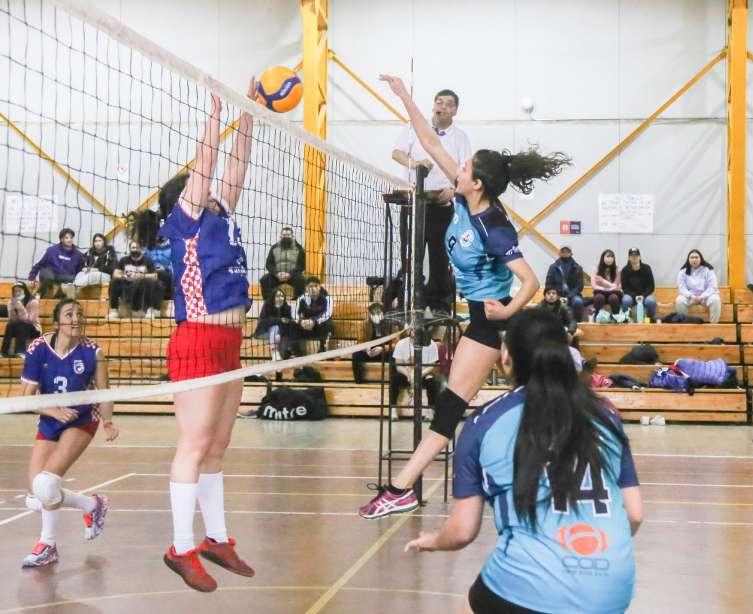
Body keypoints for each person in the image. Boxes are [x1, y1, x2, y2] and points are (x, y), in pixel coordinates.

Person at [359, 74, 567, 519]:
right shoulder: (461, 196)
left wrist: (507, 310)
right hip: (479, 319)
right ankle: (405, 489)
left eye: (467, 167)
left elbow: (530, 281)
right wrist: (404, 96)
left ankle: (400, 490)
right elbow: (429, 142)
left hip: (492, 325)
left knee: (451, 409)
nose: (459, 168)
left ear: (479, 185)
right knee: (464, 407)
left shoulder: (494, 228)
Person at [404, 309, 643, 614]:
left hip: (527, 585)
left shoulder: (485, 422)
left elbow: (463, 531)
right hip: (612, 587)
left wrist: (434, 541)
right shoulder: (606, 415)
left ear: (506, 357)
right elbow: (634, 514)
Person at [157, 84, 257, 592]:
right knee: (195, 445)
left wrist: (249, 116)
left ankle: (217, 538)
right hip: (197, 339)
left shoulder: (222, 217)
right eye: (203, 188)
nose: (215, 189)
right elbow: (207, 166)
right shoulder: (186, 222)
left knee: (218, 446)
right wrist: (214, 119)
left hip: (229, 344)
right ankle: (180, 547)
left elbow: (236, 167)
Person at [18, 298, 118, 568]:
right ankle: (91, 505)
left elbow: (104, 392)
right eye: (69, 314)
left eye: (79, 314)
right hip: (50, 418)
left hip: (82, 418)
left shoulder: (93, 352)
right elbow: (26, 397)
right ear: (57, 321)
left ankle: (47, 545)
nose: (76, 319)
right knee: (35, 495)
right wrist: (53, 411)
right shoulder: (38, 349)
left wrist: (108, 421)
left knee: (47, 485)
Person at [393, 88, 472, 313]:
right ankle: (412, 302)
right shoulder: (414, 128)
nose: (442, 107)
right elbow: (396, 153)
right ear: (433, 105)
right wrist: (415, 163)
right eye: (439, 102)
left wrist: (453, 191)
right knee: (410, 256)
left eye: (448, 104)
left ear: (455, 110)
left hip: (442, 206)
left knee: (440, 258)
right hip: (413, 204)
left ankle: (439, 306)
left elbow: (466, 171)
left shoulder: (460, 137)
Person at [389, 330, 446, 421]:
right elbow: (398, 365)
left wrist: (419, 374)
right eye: (411, 327)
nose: (414, 329)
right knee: (394, 379)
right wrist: (408, 374)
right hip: (407, 374)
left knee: (432, 382)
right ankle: (393, 408)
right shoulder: (401, 344)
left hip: (424, 373)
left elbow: (432, 365)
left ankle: (430, 410)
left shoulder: (431, 344)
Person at [110, 240, 163, 319]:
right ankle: (114, 311)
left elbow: (155, 276)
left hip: (142, 284)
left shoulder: (147, 260)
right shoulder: (124, 260)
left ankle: (148, 310)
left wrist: (142, 276)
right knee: (114, 281)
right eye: (133, 248)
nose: (135, 250)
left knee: (150, 282)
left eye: (137, 248)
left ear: (140, 249)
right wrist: (124, 276)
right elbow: (115, 274)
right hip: (127, 284)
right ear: (130, 249)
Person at [27, 228, 85, 299]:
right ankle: (40, 294)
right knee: (48, 276)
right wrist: (31, 278)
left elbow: (79, 272)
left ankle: (60, 295)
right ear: (61, 239)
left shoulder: (78, 255)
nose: (69, 240)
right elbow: (38, 264)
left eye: (71, 238)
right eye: (66, 238)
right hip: (51, 275)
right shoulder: (51, 250)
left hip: (66, 278)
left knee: (73, 279)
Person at [132, 209, 173, 299]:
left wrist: (165, 269)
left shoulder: (173, 245)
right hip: (150, 277)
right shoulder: (146, 248)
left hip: (168, 278)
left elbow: (178, 266)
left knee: (161, 276)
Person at [259, 227, 306, 300]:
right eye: (284, 235)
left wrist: (290, 274)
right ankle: (269, 300)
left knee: (301, 280)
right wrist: (277, 273)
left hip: (293, 275)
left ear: (292, 236)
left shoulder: (299, 248)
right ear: (280, 236)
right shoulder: (274, 248)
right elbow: (269, 264)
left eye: (288, 235)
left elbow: (302, 265)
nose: (286, 237)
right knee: (264, 279)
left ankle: (297, 301)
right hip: (277, 275)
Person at [675, 249, 721, 323]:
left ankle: (713, 325)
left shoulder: (708, 269)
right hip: (690, 297)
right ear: (688, 259)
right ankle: (684, 325)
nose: (694, 259)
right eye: (692, 257)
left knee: (715, 299)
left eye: (696, 257)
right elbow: (682, 288)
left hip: (706, 296)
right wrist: (691, 296)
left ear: (701, 259)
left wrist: (701, 296)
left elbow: (713, 286)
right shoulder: (683, 271)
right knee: (679, 300)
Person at [291, 276, 333, 356]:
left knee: (328, 323)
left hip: (319, 325)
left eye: (316, 286)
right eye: (310, 286)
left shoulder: (327, 298)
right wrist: (301, 321)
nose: (313, 289)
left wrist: (314, 321)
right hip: (306, 326)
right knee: (292, 324)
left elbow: (328, 314)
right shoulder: (302, 298)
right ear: (306, 288)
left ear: (319, 287)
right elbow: (294, 313)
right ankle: (297, 353)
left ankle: (322, 349)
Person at [352, 302, 392, 383]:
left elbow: (395, 343)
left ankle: (391, 381)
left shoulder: (390, 324)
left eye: (378, 313)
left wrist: (383, 349)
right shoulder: (365, 324)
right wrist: (366, 348)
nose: (376, 316)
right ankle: (359, 382)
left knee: (395, 354)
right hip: (370, 352)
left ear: (382, 313)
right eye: (373, 314)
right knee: (356, 354)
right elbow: (360, 342)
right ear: (370, 314)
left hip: (384, 352)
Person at [545, 245, 585, 321]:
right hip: (556, 294)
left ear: (571, 254)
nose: (565, 253)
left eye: (567, 251)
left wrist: (568, 297)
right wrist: (557, 296)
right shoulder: (553, 267)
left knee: (578, 302)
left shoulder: (578, 268)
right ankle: (551, 323)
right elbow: (549, 284)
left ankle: (576, 323)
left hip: (573, 295)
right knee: (547, 301)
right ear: (559, 253)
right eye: (563, 251)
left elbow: (579, 286)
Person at [1, 282, 41, 357]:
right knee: (10, 325)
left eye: (19, 291)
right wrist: (12, 308)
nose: (17, 293)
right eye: (15, 291)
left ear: (24, 291)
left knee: (23, 325)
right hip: (19, 327)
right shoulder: (12, 302)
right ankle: (4, 352)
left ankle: (20, 351)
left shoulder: (33, 302)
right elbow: (12, 320)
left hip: (34, 329)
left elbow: (30, 320)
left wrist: (20, 308)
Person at [253, 288, 292, 362]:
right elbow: (264, 322)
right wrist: (279, 320)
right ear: (273, 297)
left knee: (285, 335)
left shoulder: (287, 307)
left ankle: (288, 352)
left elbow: (288, 323)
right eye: (277, 296)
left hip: (281, 333)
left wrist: (280, 334)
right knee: (275, 327)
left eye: (282, 296)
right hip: (265, 331)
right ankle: (274, 352)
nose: (280, 298)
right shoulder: (267, 306)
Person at [620, 247, 657, 321]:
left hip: (645, 295)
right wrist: (635, 296)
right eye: (632, 256)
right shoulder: (625, 270)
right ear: (629, 258)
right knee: (626, 300)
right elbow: (625, 288)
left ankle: (650, 319)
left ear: (639, 257)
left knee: (651, 301)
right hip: (631, 296)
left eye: (636, 255)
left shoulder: (647, 268)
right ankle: (625, 319)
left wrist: (643, 296)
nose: (634, 257)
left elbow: (651, 286)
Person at [591, 249, 622, 315]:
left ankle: (616, 316)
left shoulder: (617, 269)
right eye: (608, 256)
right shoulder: (596, 268)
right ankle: (595, 316)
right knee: (599, 297)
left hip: (613, 293)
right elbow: (594, 286)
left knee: (613, 298)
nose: (610, 259)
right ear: (603, 257)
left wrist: (603, 281)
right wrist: (607, 288)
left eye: (612, 257)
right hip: (600, 292)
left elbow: (616, 287)